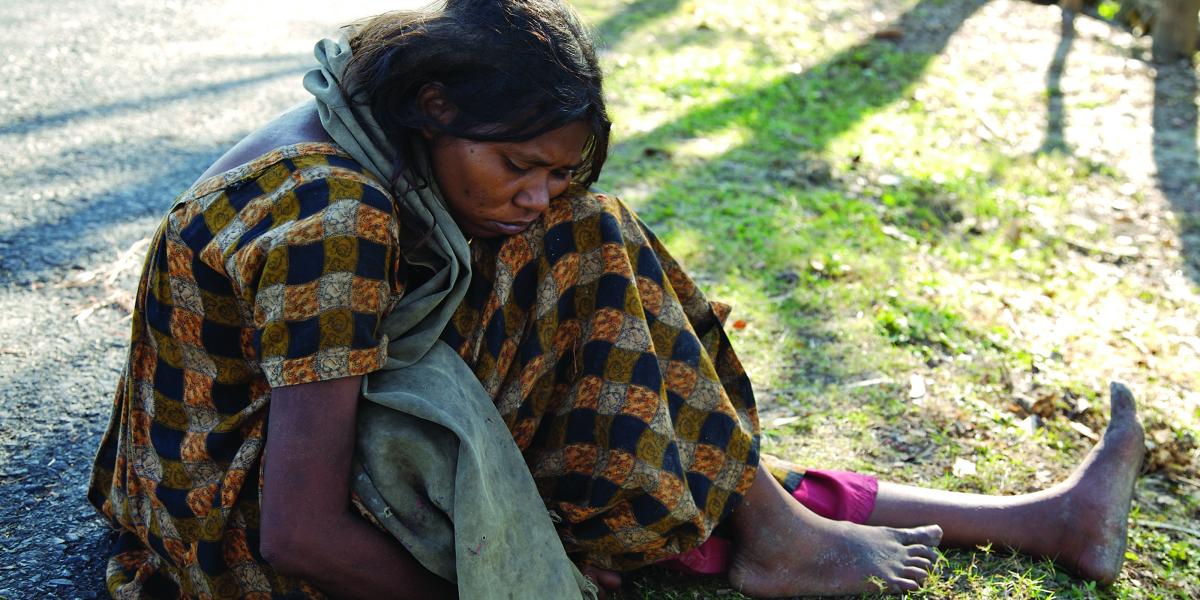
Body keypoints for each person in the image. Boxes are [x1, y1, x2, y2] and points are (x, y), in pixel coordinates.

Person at [87, 0, 1146, 598]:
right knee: (595, 258)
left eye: (558, 167)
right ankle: (791, 532)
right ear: (435, 104)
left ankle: (1030, 520)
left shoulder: (355, 121)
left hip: (230, 478)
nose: (536, 193)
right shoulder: (334, 219)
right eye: (518, 164)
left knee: (599, 273)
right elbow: (298, 537)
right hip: (223, 544)